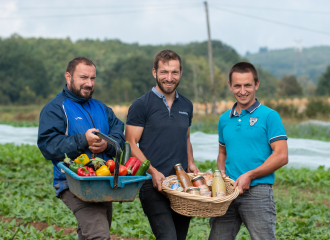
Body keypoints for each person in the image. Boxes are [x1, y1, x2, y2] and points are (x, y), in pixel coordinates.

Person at [38, 57, 125, 240]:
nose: (89, 83)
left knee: (90, 234)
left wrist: (107, 144)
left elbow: (119, 132)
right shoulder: (55, 108)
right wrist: (82, 140)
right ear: (68, 77)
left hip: (102, 182)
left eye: (92, 78)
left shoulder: (102, 108)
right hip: (73, 183)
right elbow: (48, 146)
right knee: (99, 235)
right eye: (83, 77)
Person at [125, 49, 200, 240]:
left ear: (180, 73)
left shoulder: (186, 105)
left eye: (174, 72)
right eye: (164, 72)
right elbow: (131, 144)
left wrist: (191, 163)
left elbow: (186, 137)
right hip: (153, 184)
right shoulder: (141, 105)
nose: (169, 77)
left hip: (181, 185)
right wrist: (153, 171)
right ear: (154, 73)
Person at [209, 62, 288, 240]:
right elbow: (222, 153)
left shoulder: (270, 116)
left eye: (248, 85)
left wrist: (250, 175)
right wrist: (221, 175)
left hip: (257, 191)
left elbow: (281, 156)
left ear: (256, 85)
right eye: (237, 85)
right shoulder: (224, 119)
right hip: (227, 193)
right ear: (230, 86)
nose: (242, 90)